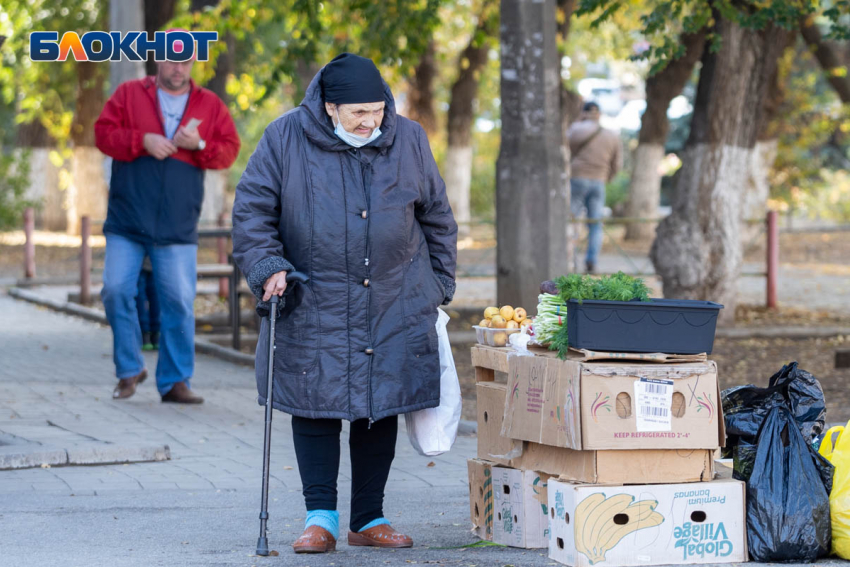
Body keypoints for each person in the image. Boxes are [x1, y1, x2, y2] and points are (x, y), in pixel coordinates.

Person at [232, 53, 457, 555]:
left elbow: (437, 215)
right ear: (329, 107)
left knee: (379, 406)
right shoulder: (285, 137)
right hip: (315, 298)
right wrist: (269, 266)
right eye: (358, 112)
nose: (371, 121)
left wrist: (438, 284)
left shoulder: (409, 139)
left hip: (393, 300)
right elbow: (252, 211)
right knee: (315, 404)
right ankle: (321, 519)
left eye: (377, 110)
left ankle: (369, 517)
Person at [94, 29, 240, 403]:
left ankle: (175, 381)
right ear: (158, 59)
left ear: (193, 63)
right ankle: (130, 370)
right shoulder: (129, 95)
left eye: (185, 62)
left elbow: (229, 151)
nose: (178, 69)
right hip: (127, 219)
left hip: (177, 223)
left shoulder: (209, 104)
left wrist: (200, 145)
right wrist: (140, 141)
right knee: (115, 291)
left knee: (177, 301)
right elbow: (102, 134)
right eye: (172, 60)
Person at [567, 101, 623, 273]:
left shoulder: (575, 129)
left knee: (571, 221)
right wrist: (607, 177)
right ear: (600, 114)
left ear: (583, 113)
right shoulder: (612, 135)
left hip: (576, 179)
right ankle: (591, 261)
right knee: (595, 224)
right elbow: (617, 164)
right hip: (599, 181)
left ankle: (570, 260)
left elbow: (564, 150)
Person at [136, 257, 160, 351]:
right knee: (155, 294)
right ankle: (156, 334)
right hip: (156, 257)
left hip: (139, 259)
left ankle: (144, 334)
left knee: (140, 296)